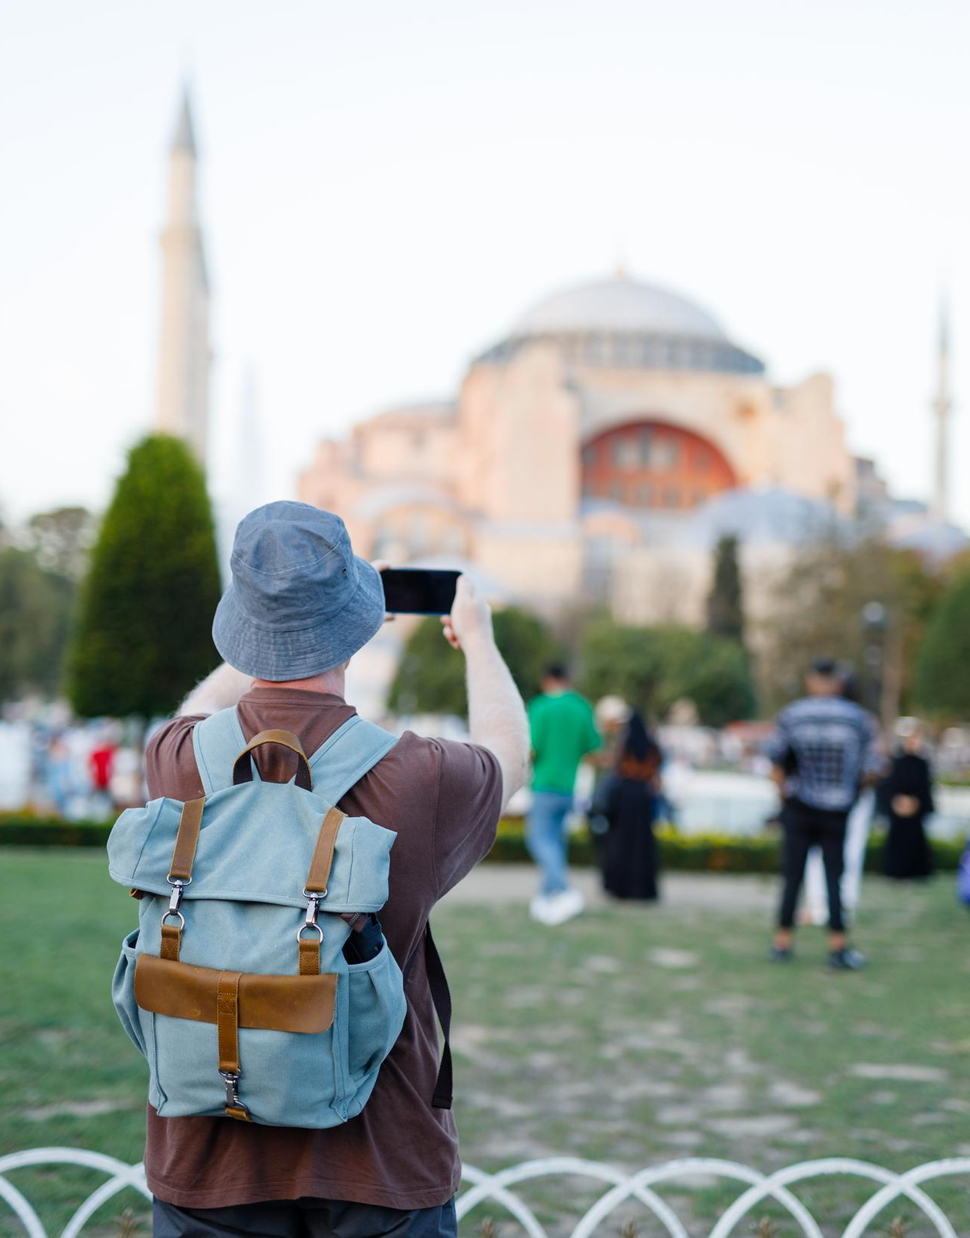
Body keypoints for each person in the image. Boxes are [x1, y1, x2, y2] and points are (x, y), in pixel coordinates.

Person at [142, 501, 530, 1238]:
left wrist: (281, 630)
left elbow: (191, 717)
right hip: (379, 1158)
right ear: (355, 626)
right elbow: (510, 758)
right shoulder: (421, 777)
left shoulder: (178, 760)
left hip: (208, 1152)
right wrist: (477, 641)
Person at [767, 657, 881, 970]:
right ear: (839, 682)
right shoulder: (858, 719)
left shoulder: (793, 715)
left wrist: (784, 798)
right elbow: (873, 769)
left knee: (792, 876)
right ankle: (837, 947)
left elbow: (776, 764)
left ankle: (782, 943)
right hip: (837, 810)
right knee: (835, 877)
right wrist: (852, 792)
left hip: (799, 807)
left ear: (811, 680)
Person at [525, 664, 600, 925]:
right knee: (556, 843)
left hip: (544, 783)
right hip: (569, 786)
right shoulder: (582, 707)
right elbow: (594, 750)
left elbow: (532, 748)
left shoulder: (540, 706)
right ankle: (547, 899)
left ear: (547, 680)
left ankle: (564, 890)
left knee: (539, 840)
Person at [596, 711, 663, 901]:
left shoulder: (625, 745)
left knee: (621, 843)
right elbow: (656, 770)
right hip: (643, 797)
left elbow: (615, 767)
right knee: (642, 844)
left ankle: (621, 886)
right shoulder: (652, 746)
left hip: (624, 798)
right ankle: (642, 888)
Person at [878, 718, 935, 880]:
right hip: (898, 809)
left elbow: (925, 787)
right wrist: (897, 802)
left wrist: (916, 803)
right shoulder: (895, 761)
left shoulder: (922, 763)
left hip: (915, 809)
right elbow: (887, 786)